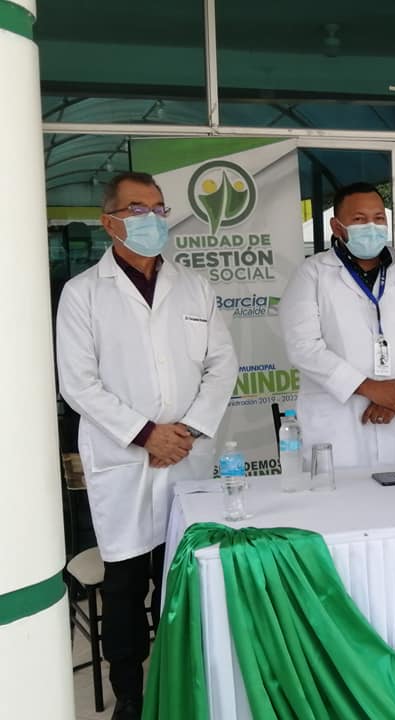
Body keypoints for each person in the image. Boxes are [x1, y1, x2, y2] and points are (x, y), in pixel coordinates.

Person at [56, 171, 238, 719]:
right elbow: (78, 383)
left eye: (159, 208)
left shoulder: (195, 287)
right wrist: (145, 434)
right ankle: (131, 697)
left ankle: (182, 685)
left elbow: (221, 365)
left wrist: (188, 430)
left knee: (182, 578)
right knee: (125, 587)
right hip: (124, 459)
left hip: (185, 453)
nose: (152, 219)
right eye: (138, 209)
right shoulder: (83, 293)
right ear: (109, 221)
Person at [280, 182, 395, 467]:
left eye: (378, 218)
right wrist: (368, 387)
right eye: (359, 219)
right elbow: (303, 346)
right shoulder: (312, 274)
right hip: (338, 424)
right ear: (337, 227)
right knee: (342, 493)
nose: (371, 227)